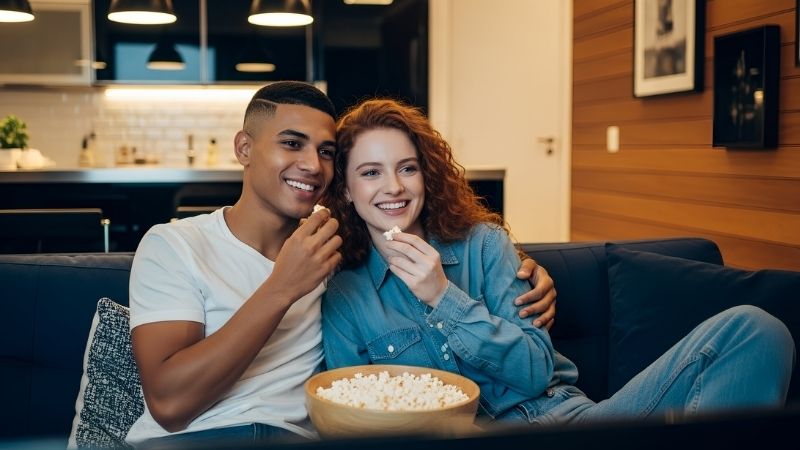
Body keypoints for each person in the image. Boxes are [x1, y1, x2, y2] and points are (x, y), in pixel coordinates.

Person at [125, 81, 557, 448]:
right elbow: (169, 406)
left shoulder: (337, 250)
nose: (312, 165)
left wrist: (522, 267)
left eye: (326, 151)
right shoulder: (176, 244)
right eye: (291, 143)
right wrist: (282, 288)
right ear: (244, 147)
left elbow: (416, 241)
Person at [321, 98, 795, 429]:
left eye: (407, 167)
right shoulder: (345, 295)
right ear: (345, 189)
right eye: (370, 172)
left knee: (754, 329)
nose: (395, 187)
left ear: (426, 174)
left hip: (565, 424)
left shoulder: (484, 246)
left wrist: (443, 297)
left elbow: (532, 372)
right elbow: (357, 418)